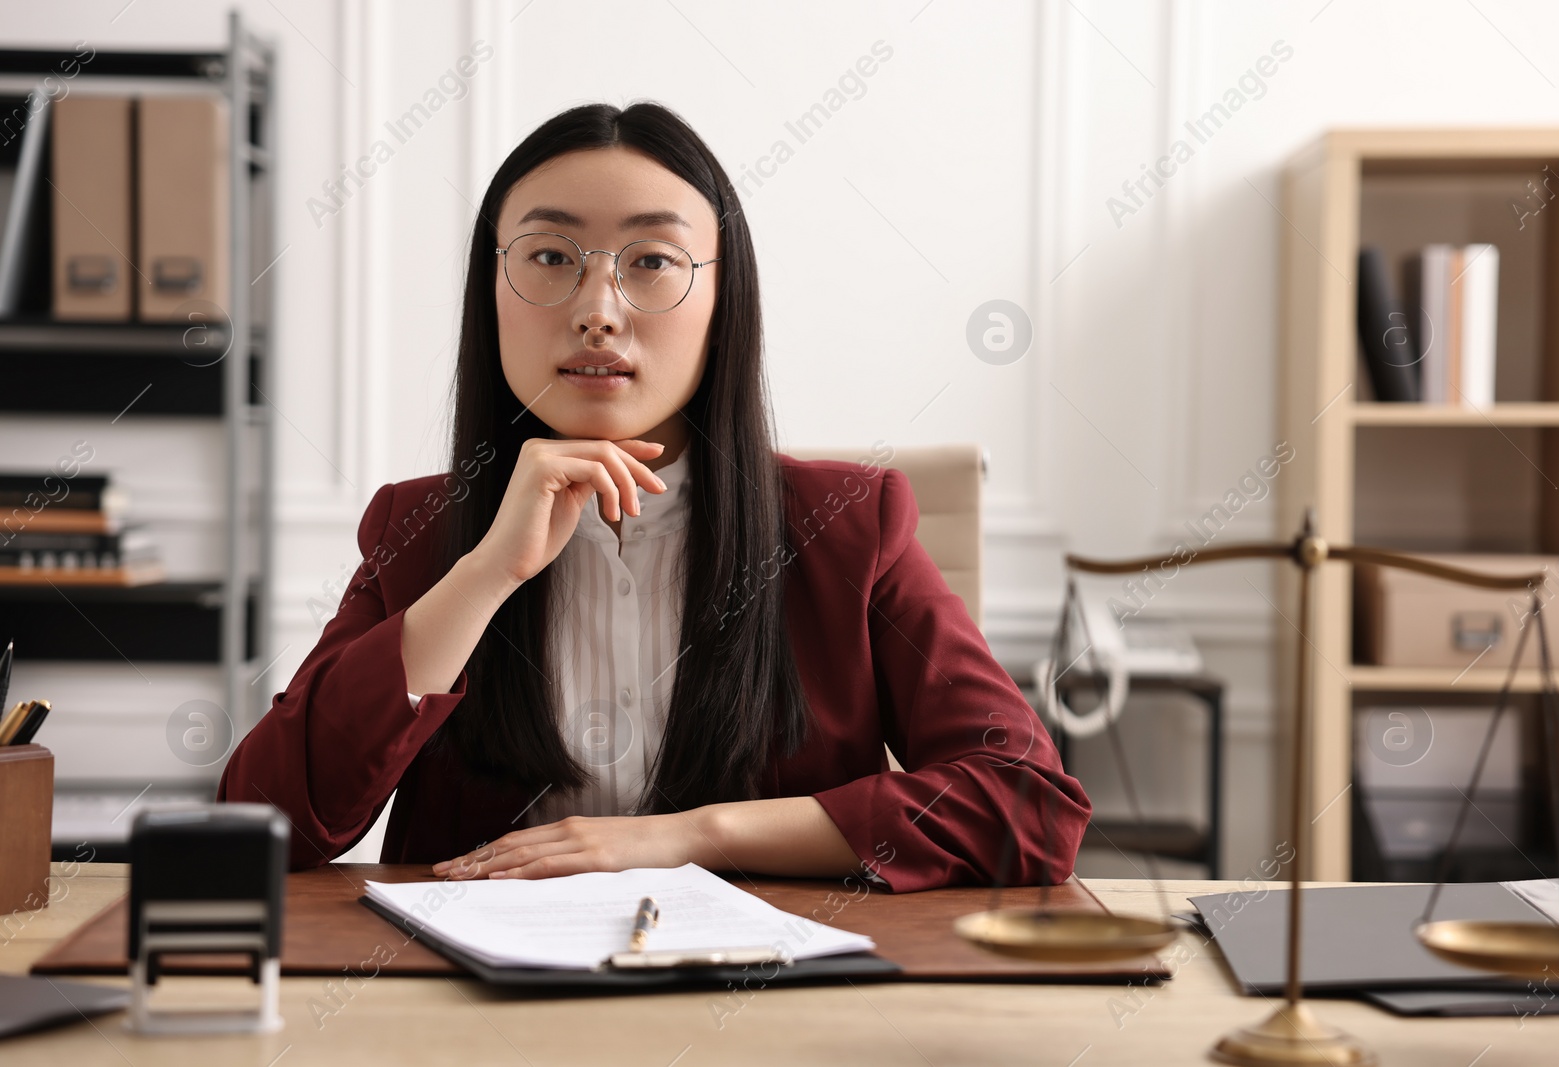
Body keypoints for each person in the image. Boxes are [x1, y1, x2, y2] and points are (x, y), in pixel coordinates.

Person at [218, 101, 1090, 893]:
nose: (598, 309)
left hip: (766, 999)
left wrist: (691, 836)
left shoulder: (851, 528)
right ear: (491, 291)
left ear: (723, 299)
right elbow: (266, 821)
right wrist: (484, 574)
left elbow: (1027, 803)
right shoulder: (418, 532)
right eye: (552, 257)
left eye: (651, 261)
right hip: (479, 1009)